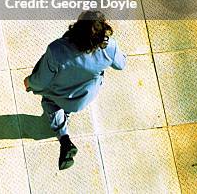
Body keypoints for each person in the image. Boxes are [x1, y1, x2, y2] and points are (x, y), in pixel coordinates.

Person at [23, 10, 126, 170]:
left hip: (59, 94)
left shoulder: (56, 50)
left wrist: (29, 82)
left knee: (50, 103)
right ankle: (66, 121)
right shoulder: (109, 48)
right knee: (66, 106)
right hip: (83, 98)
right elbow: (121, 64)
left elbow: (41, 81)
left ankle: (64, 138)